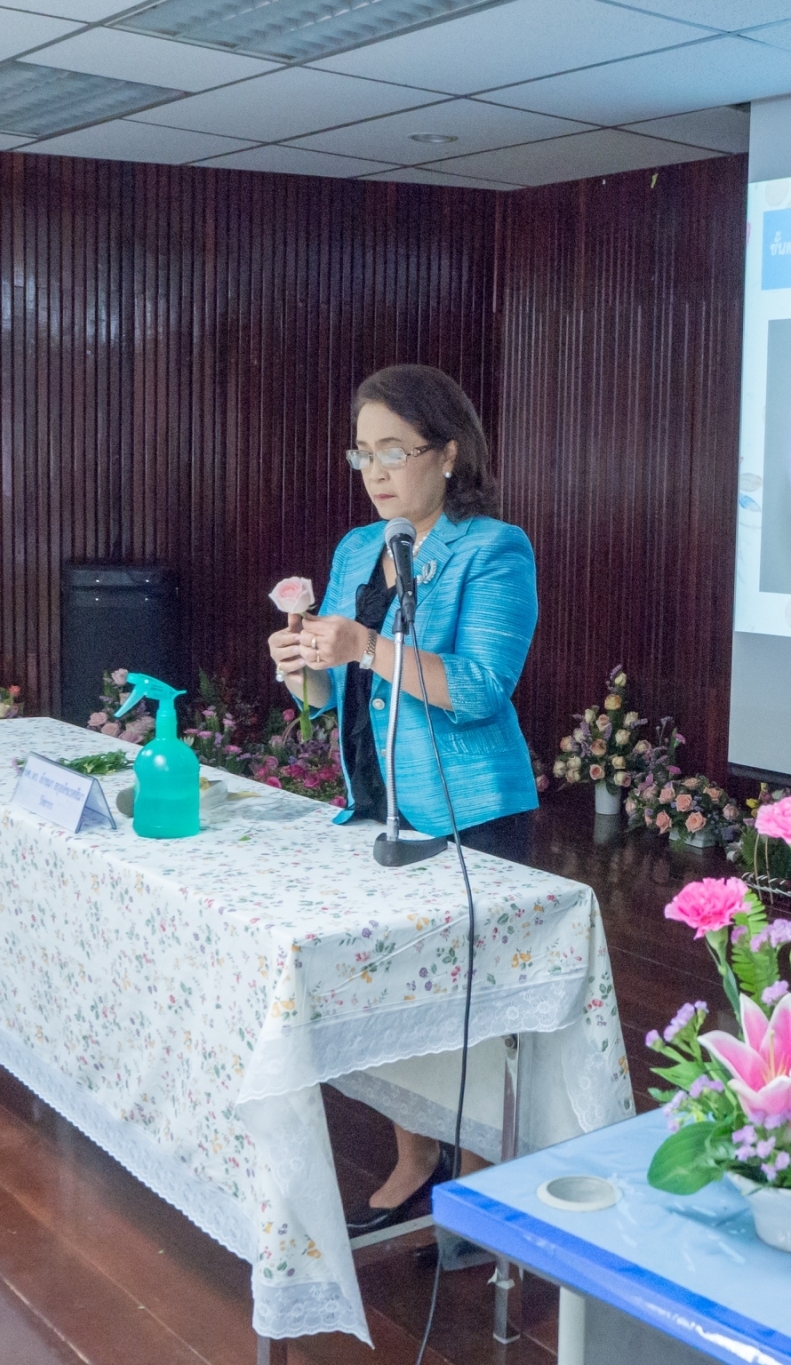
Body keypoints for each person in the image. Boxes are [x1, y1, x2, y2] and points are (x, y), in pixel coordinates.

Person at [267, 364, 539, 1235]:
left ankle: (487, 1195)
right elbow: (329, 697)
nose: (376, 472)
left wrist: (366, 646)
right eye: (363, 453)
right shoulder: (358, 549)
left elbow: (481, 688)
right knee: (391, 995)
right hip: (376, 808)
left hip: (472, 816)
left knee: (470, 1014)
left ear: (448, 453)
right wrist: (301, 668)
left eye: (395, 450)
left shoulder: (494, 549)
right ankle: (417, 1163)